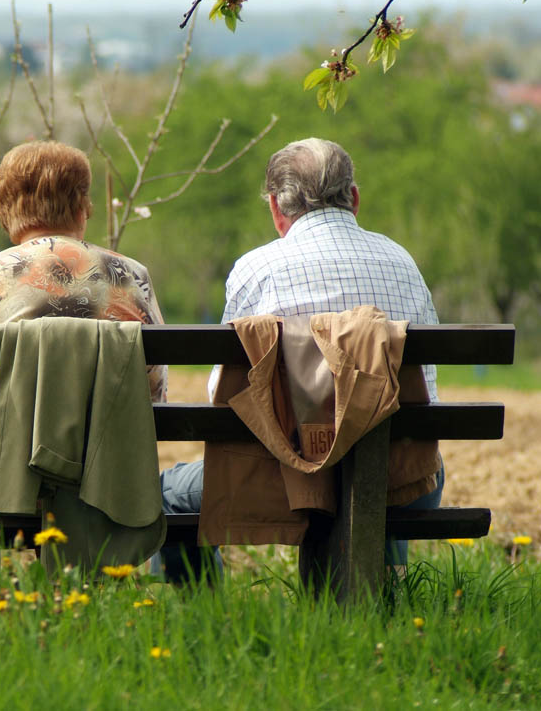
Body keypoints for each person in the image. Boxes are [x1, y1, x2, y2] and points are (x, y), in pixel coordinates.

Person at [160, 137, 442, 571]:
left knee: (168, 495)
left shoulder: (257, 269)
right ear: (354, 198)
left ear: (276, 208)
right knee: (383, 459)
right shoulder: (402, 262)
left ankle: (205, 614)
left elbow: (222, 390)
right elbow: (428, 391)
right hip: (400, 477)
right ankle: (380, 602)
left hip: (283, 481)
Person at [0, 140, 167, 506]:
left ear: (6, 209)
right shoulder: (130, 276)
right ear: (82, 206)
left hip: (5, 487)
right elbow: (154, 389)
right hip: (111, 485)